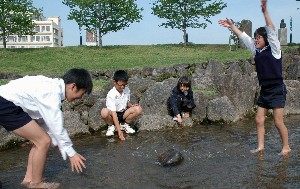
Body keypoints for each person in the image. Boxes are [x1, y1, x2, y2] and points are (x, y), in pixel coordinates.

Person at [218, 0, 291, 155]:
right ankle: (260, 147)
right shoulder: (256, 51)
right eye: (255, 37)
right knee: (259, 119)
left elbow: (271, 30)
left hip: (277, 89)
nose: (256, 39)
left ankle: (286, 147)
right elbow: (244, 37)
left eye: (259, 37)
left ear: (266, 39)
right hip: (265, 89)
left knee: (278, 122)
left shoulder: (275, 49)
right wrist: (232, 26)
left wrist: (265, 12)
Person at [0, 68, 93, 188]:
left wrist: (58, 144)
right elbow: (55, 124)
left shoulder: (53, 89)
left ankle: (28, 180)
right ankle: (36, 184)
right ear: (73, 86)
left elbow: (48, 126)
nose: (81, 98)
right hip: (4, 102)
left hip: (6, 102)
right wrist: (71, 152)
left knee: (41, 140)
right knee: (43, 141)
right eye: (83, 93)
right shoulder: (52, 92)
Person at [100, 70, 142, 141]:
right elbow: (113, 113)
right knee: (104, 112)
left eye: (124, 85)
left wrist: (131, 106)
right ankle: (111, 126)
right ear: (114, 82)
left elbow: (126, 102)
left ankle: (125, 124)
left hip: (123, 113)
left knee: (138, 108)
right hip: (114, 115)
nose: (123, 87)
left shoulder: (127, 90)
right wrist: (119, 132)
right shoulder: (111, 94)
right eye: (121, 85)